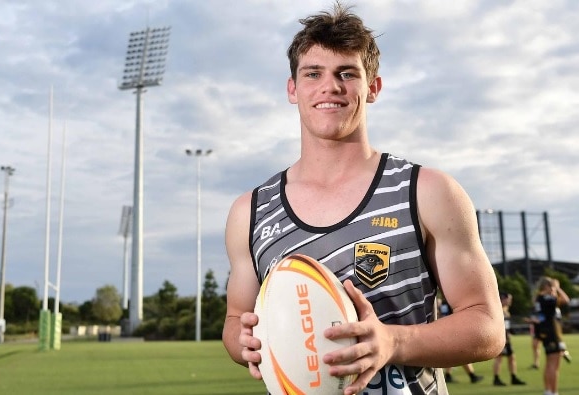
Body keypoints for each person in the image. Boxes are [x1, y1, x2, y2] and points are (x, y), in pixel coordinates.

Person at [221, 2, 506, 395]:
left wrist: (393, 342)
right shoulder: (250, 213)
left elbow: (487, 327)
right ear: (293, 89)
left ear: (372, 88)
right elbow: (236, 318)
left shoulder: (426, 191)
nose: (330, 87)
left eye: (347, 73)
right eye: (313, 73)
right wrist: (245, 343)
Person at [533, 277, 570, 395]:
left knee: (549, 363)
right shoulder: (547, 298)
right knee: (555, 365)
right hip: (553, 333)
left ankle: (548, 391)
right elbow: (566, 300)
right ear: (547, 286)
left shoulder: (539, 298)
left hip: (546, 333)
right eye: (552, 286)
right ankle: (554, 392)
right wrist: (558, 288)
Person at [438, 297, 483, 384]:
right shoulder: (451, 301)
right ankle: (472, 376)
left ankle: (448, 375)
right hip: (452, 330)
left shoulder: (443, 303)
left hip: (444, 328)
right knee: (461, 354)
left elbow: (441, 315)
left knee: (454, 354)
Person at [492, 292, 526, 386]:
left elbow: (506, 325)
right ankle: (496, 378)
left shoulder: (506, 310)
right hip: (501, 338)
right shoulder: (498, 310)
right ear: (503, 299)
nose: (510, 301)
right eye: (509, 299)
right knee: (499, 358)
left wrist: (510, 332)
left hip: (506, 338)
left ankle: (513, 377)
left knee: (512, 358)